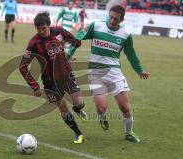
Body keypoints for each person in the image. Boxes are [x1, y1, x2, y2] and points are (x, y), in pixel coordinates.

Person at [67, 5, 150, 143]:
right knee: (101, 107)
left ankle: (129, 133)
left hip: (114, 73)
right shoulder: (96, 26)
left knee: (124, 107)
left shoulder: (125, 35)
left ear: (122, 20)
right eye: (110, 17)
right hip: (95, 73)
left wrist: (140, 70)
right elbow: (78, 39)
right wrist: (69, 55)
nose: (111, 21)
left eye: (115, 19)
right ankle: (102, 116)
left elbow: (131, 55)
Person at [19, 12, 87, 144]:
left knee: (79, 102)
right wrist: (35, 86)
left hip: (66, 73)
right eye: (38, 29)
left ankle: (78, 109)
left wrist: (67, 54)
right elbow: (22, 66)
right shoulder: (34, 43)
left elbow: (76, 42)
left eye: (43, 28)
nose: (41, 31)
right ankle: (78, 134)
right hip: (50, 81)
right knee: (63, 109)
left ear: (49, 25)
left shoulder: (60, 32)